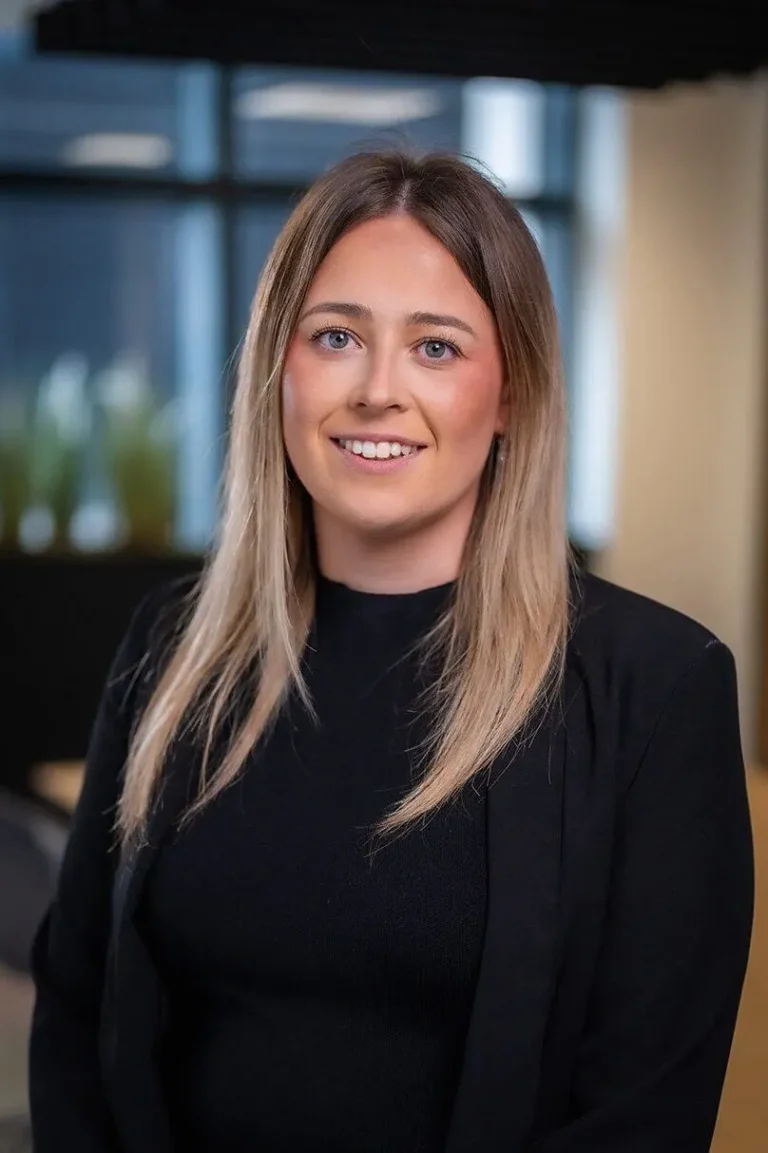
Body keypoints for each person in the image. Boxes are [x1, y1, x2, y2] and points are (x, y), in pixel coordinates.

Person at [29, 150, 754, 1153]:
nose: (378, 390)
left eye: (436, 347)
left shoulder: (655, 686)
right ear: (278, 368)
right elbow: (78, 1005)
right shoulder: (174, 645)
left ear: (512, 393)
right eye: (336, 337)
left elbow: (646, 1111)